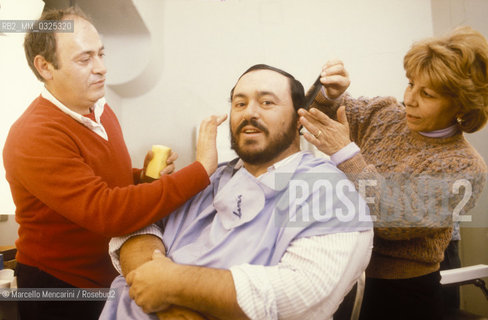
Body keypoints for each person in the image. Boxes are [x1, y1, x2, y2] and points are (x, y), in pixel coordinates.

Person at [99, 64, 374, 320]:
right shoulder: (210, 177)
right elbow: (136, 226)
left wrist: (173, 283)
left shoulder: (325, 190)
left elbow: (302, 295)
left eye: (267, 102)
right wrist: (164, 299)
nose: (249, 112)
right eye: (239, 103)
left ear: (298, 118)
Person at [2, 7, 225, 320]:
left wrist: (142, 177)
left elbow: (96, 180)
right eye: (85, 59)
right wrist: (201, 170)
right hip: (61, 289)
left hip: (106, 280)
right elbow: (107, 212)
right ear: (45, 67)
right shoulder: (34, 134)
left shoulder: (98, 108)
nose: (102, 68)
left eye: (101, 54)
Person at [298, 26, 488, 320]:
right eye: (411, 84)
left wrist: (346, 153)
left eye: (427, 93)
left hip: (405, 297)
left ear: (460, 104)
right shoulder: (387, 113)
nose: (410, 98)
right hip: (345, 276)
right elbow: (326, 110)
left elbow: (394, 218)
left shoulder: (463, 164)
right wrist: (329, 91)